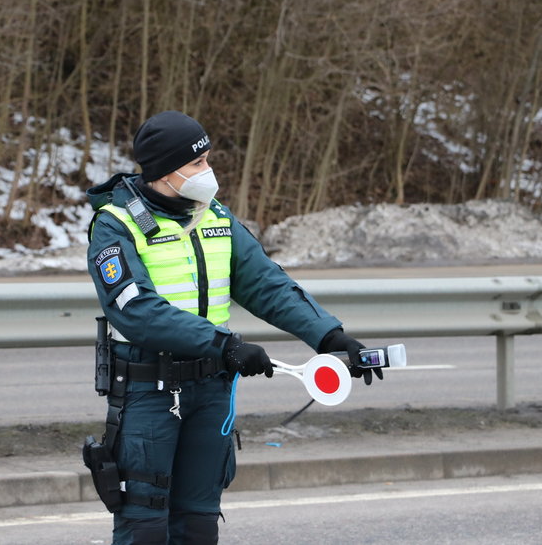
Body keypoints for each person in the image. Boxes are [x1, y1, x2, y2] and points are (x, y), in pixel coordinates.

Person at [85, 110, 381, 545]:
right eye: (197, 164)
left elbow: (266, 283)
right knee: (144, 525)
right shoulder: (115, 224)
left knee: (199, 523)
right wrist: (223, 344)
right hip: (147, 391)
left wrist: (330, 337)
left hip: (212, 389)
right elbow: (137, 311)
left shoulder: (214, 215)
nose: (208, 172)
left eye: (207, 160)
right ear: (166, 172)